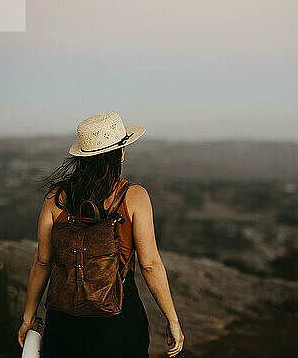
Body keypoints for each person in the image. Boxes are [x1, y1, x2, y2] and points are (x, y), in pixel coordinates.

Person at [17, 112, 184, 358]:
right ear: (121, 154)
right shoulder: (134, 197)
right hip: (118, 321)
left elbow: (43, 261)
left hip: (64, 321)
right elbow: (149, 265)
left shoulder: (55, 199)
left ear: (83, 157)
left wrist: (28, 318)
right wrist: (172, 320)